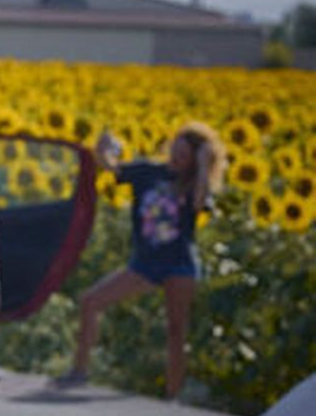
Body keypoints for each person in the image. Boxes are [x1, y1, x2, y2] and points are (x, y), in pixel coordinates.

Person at [56, 122, 224, 399]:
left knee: (176, 330)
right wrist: (103, 146)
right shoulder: (147, 171)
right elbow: (110, 166)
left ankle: (173, 396)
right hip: (144, 263)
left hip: (180, 264)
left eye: (186, 154)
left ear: (195, 159)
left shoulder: (196, 183)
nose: (177, 156)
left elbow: (199, 205)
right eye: (176, 148)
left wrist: (205, 165)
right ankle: (79, 371)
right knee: (91, 301)